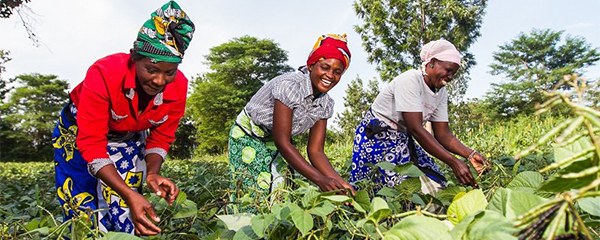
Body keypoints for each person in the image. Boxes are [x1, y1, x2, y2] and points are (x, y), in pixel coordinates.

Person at [52, 1, 194, 235]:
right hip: (80, 131)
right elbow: (91, 143)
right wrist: (129, 193)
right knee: (81, 204)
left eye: (169, 72)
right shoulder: (104, 74)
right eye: (152, 69)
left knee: (127, 212)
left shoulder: (178, 87)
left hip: (128, 135)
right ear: (134, 58)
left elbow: (161, 137)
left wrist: (152, 173)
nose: (160, 81)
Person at [228, 34, 354, 211]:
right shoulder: (290, 86)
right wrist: (319, 179)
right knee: (256, 190)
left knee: (282, 188)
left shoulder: (325, 103)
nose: (330, 75)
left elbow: (315, 150)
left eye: (337, 71)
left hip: (276, 139)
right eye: (325, 67)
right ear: (311, 65)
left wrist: (340, 183)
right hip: (249, 135)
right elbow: (283, 142)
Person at [349, 39, 489, 194]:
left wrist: (470, 154)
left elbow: (443, 134)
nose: (450, 77)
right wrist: (453, 162)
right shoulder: (410, 80)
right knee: (388, 188)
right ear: (432, 63)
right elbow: (416, 129)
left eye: (453, 73)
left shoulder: (440, 91)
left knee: (435, 181)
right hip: (375, 137)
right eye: (448, 70)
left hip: (401, 138)